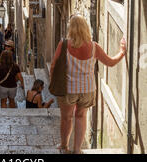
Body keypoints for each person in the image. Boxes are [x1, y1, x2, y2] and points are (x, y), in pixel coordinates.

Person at [50, 14, 126, 154]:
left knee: (66, 117)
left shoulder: (64, 44)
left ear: (71, 28)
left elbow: (54, 65)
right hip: (88, 89)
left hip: (69, 89)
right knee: (81, 116)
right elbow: (110, 62)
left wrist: (52, 79)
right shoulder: (94, 47)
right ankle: (77, 149)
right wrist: (122, 52)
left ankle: (64, 145)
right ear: (85, 28)